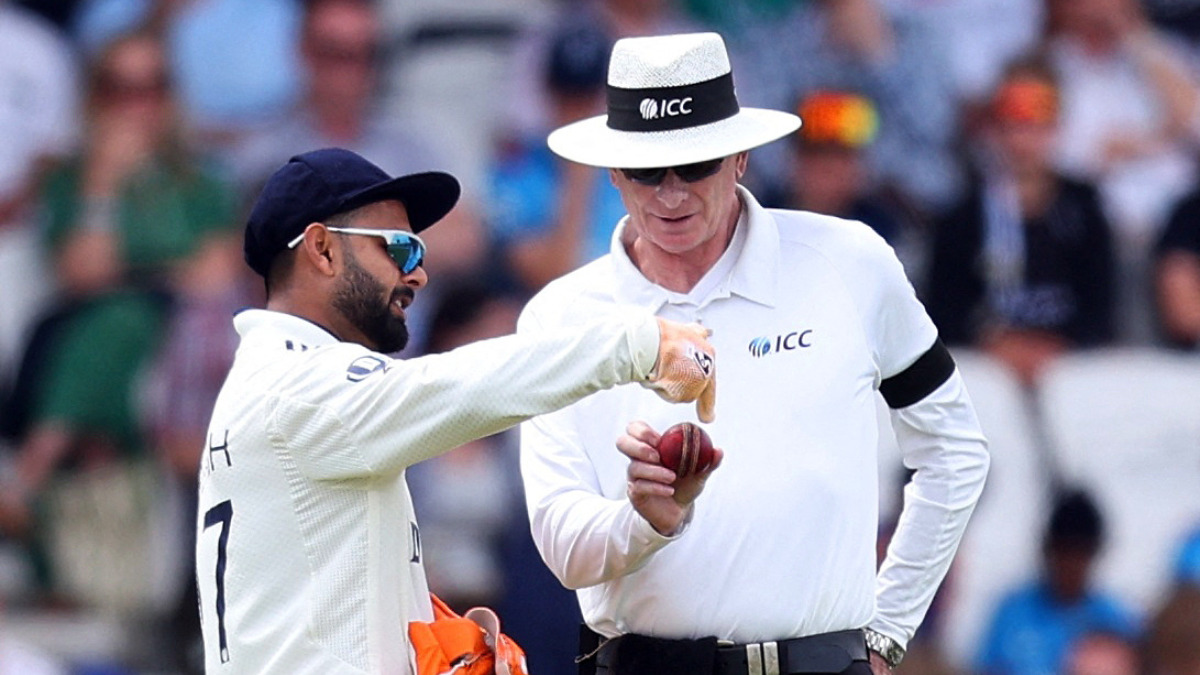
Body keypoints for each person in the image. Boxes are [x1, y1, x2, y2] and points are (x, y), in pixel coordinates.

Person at [518, 32, 990, 675]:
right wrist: (644, 519)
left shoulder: (850, 264)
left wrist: (885, 635)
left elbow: (954, 450)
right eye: (647, 171)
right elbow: (561, 545)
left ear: (740, 158)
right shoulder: (561, 317)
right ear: (614, 174)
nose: (671, 192)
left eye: (696, 165)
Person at [194, 146, 718, 674]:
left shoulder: (276, 383)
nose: (417, 275)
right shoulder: (302, 388)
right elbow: (465, 386)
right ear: (323, 250)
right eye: (399, 250)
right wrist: (637, 345)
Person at [924, 58, 1117, 386]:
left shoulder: (1085, 206)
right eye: (1012, 119)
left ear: (1057, 126)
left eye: (1038, 119)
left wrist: (1056, 347)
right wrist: (992, 345)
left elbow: (1102, 309)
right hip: (987, 371)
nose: (1023, 137)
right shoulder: (961, 215)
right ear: (994, 126)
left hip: (1070, 367)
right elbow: (943, 313)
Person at [975, 489, 1139, 675]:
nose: (1071, 565)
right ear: (1048, 550)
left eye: (1080, 555)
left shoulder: (1116, 620)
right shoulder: (1011, 612)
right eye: (1064, 553)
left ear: (1095, 554)